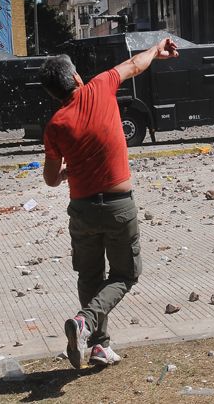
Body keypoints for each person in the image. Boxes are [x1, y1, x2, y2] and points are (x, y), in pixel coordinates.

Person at [40, 38, 179, 369]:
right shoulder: (100, 86)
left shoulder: (55, 125)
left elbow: (50, 178)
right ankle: (86, 322)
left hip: (82, 210)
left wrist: (64, 173)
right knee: (127, 273)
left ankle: (99, 346)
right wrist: (157, 50)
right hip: (118, 206)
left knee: (90, 276)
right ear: (76, 78)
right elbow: (134, 65)